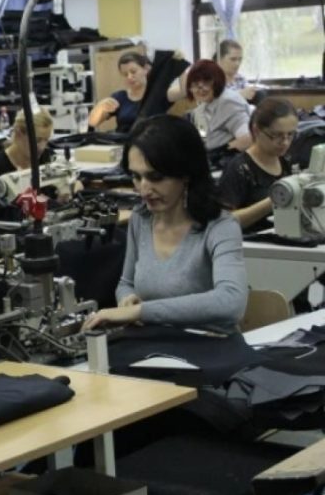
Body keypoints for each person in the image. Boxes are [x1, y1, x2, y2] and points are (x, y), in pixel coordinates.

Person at [83, 114, 247, 334]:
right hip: (153, 341)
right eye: (136, 177)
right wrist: (127, 300)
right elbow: (126, 283)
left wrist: (140, 312)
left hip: (212, 345)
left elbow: (231, 302)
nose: (144, 189)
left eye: (156, 177)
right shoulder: (140, 219)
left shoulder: (220, 227)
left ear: (186, 174)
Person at [218, 98, 298, 232]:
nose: (285, 142)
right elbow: (223, 222)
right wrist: (273, 201)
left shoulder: (288, 160)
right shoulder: (239, 168)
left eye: (290, 134)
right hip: (250, 241)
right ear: (256, 131)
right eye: (276, 135)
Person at [88, 52, 171, 134]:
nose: (129, 77)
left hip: (150, 140)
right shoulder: (119, 97)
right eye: (125, 74)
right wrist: (100, 106)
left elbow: (179, 91)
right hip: (123, 140)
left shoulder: (158, 95)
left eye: (133, 72)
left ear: (146, 69)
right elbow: (92, 122)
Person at [185, 59, 252, 157]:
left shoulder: (228, 103)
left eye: (206, 82)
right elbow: (203, 136)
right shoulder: (203, 105)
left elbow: (248, 139)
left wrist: (220, 153)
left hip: (224, 160)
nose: (201, 89)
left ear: (217, 81)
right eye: (195, 84)